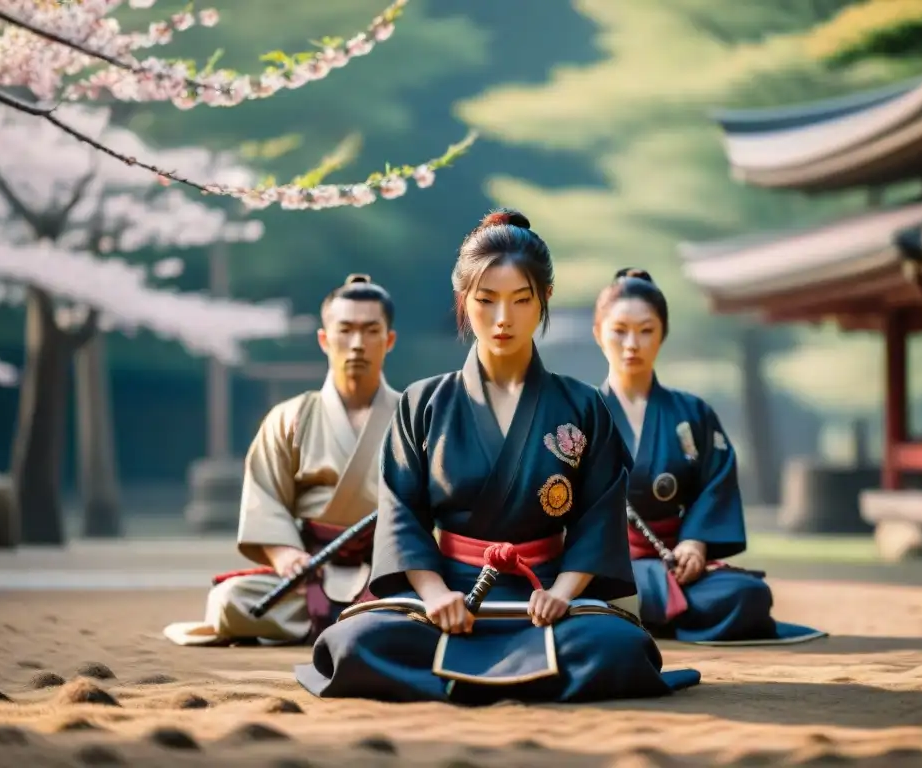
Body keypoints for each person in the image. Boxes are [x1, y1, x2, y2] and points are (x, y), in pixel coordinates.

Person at [294, 210, 702, 704]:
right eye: (486, 301)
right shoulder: (423, 403)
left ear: (543, 300)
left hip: (544, 596)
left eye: (520, 300)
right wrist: (434, 594)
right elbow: (402, 515)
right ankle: (536, 677)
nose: (503, 319)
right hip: (447, 596)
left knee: (618, 646)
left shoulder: (582, 405)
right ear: (464, 300)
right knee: (353, 643)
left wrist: (563, 593)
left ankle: (455, 677)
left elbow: (598, 520)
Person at [163, 275, 402, 647]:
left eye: (371, 331)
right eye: (346, 330)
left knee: (435, 596)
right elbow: (266, 497)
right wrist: (284, 552)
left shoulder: (413, 416)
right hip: (310, 570)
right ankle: (367, 623)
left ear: (389, 340)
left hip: (388, 568)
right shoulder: (290, 417)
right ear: (325, 339)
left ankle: (367, 617)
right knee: (230, 601)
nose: (357, 344)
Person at [593, 268, 826, 645]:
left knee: (746, 595)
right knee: (584, 585)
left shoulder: (692, 413)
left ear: (662, 335)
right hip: (604, 563)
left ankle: (637, 611)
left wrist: (695, 544)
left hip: (674, 561)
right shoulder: (579, 413)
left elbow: (714, 484)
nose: (632, 343)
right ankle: (649, 608)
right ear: (598, 333)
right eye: (619, 330)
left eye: (646, 330)